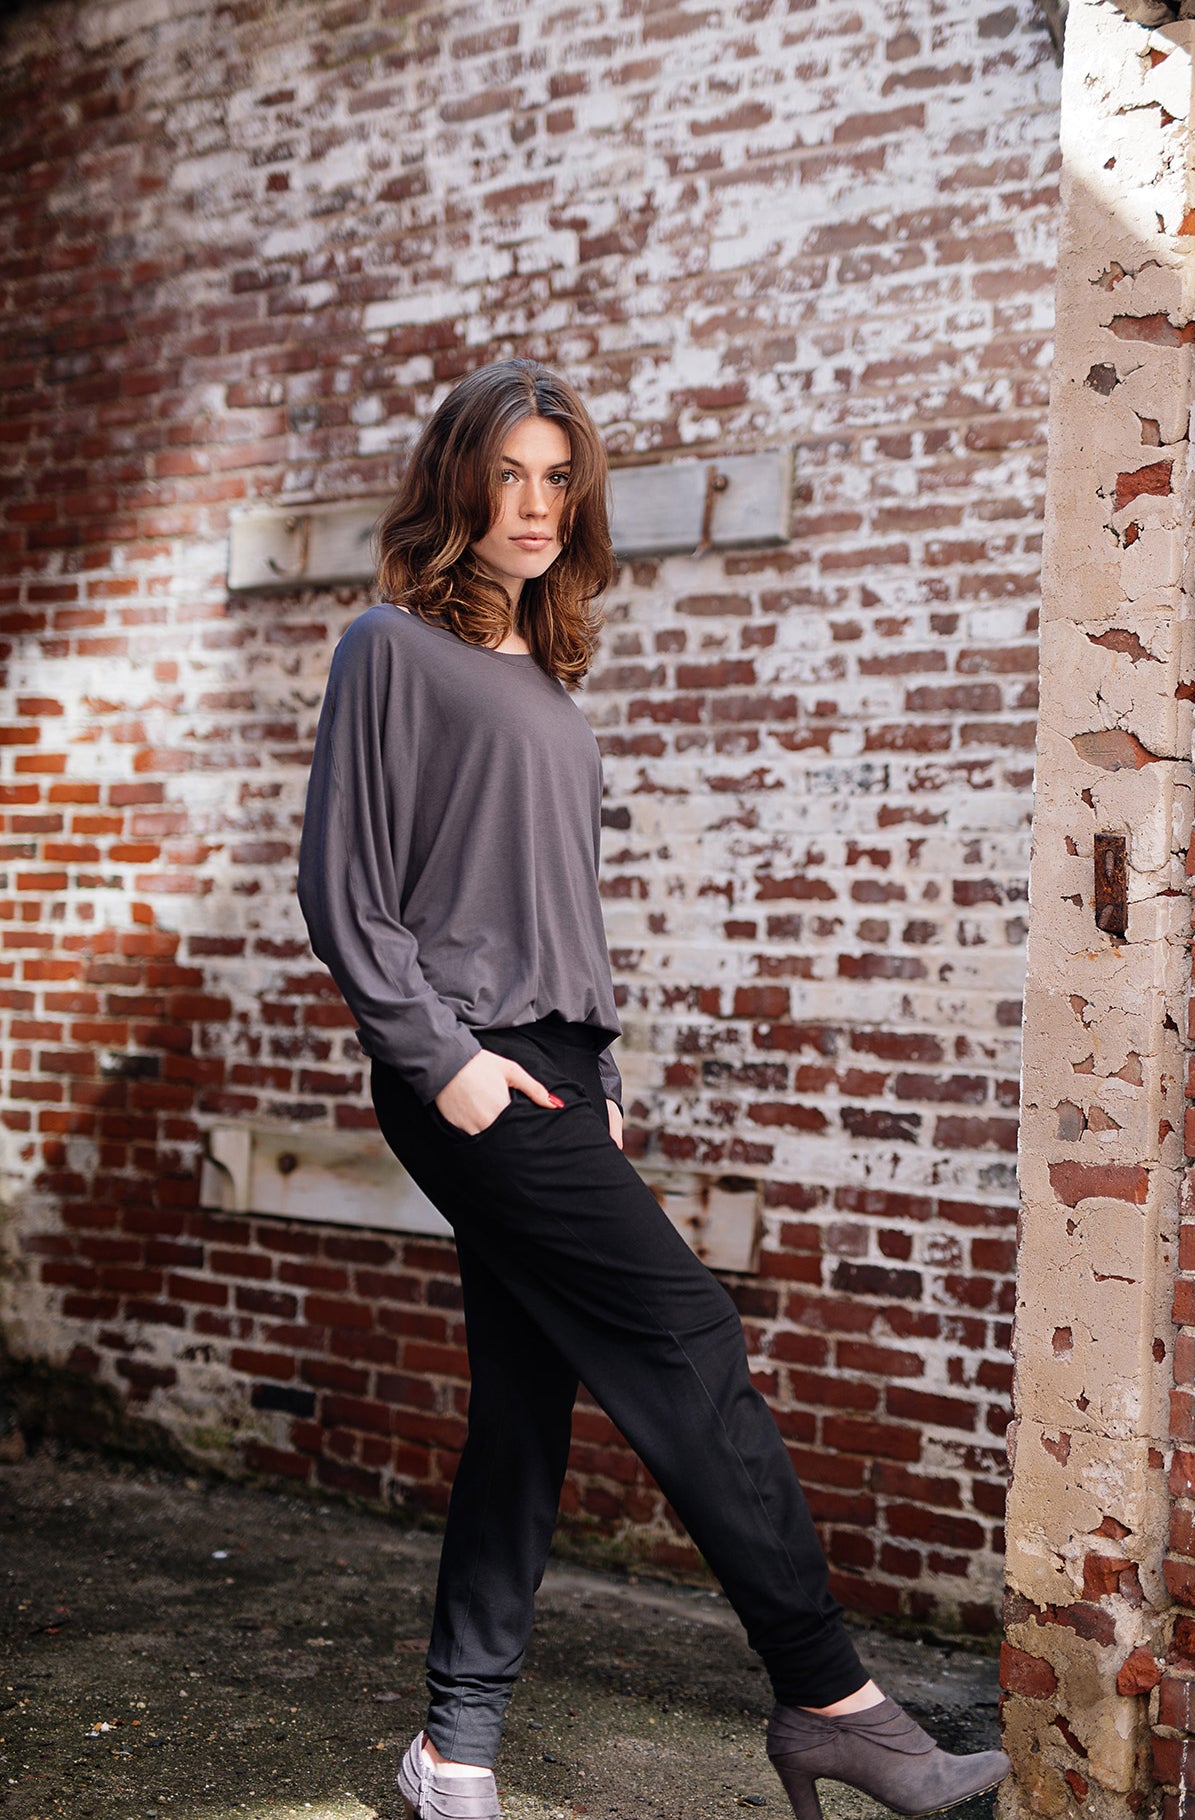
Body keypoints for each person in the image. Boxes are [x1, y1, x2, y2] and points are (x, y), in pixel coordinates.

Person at [296, 359, 1009, 1820]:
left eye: (560, 478)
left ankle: (452, 1749)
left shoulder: (545, 677)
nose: (536, 505)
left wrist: (595, 1068)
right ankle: (830, 1698)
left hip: (552, 1065)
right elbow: (344, 890)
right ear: (457, 484)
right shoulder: (387, 649)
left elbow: (556, 901)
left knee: (524, 1407)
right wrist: (448, 1067)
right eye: (509, 474)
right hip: (469, 1066)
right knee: (685, 1333)